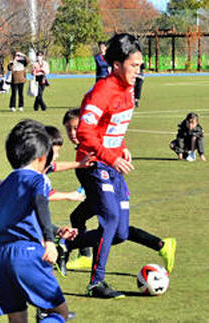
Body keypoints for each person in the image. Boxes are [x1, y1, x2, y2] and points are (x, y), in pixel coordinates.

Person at [74, 34, 176, 299]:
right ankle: (96, 283)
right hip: (94, 163)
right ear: (117, 65)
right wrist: (111, 155)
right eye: (134, 65)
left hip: (112, 162)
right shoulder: (103, 90)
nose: (138, 70)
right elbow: (84, 131)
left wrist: (122, 146)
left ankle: (66, 245)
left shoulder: (128, 88)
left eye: (140, 65)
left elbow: (110, 126)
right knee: (108, 219)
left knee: (119, 233)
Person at [60, 108, 177, 276]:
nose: (72, 133)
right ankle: (84, 254)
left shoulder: (92, 145)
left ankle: (77, 251)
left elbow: (108, 132)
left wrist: (122, 148)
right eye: (68, 129)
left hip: (109, 190)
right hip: (101, 190)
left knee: (114, 230)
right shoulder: (83, 148)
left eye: (76, 127)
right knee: (83, 218)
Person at [0, 119, 77, 323]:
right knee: (59, 313)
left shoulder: (5, 184)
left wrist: (54, 230)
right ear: (42, 157)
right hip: (25, 254)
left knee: (17, 319)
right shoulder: (38, 179)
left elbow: (15, 217)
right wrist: (49, 240)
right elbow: (41, 203)